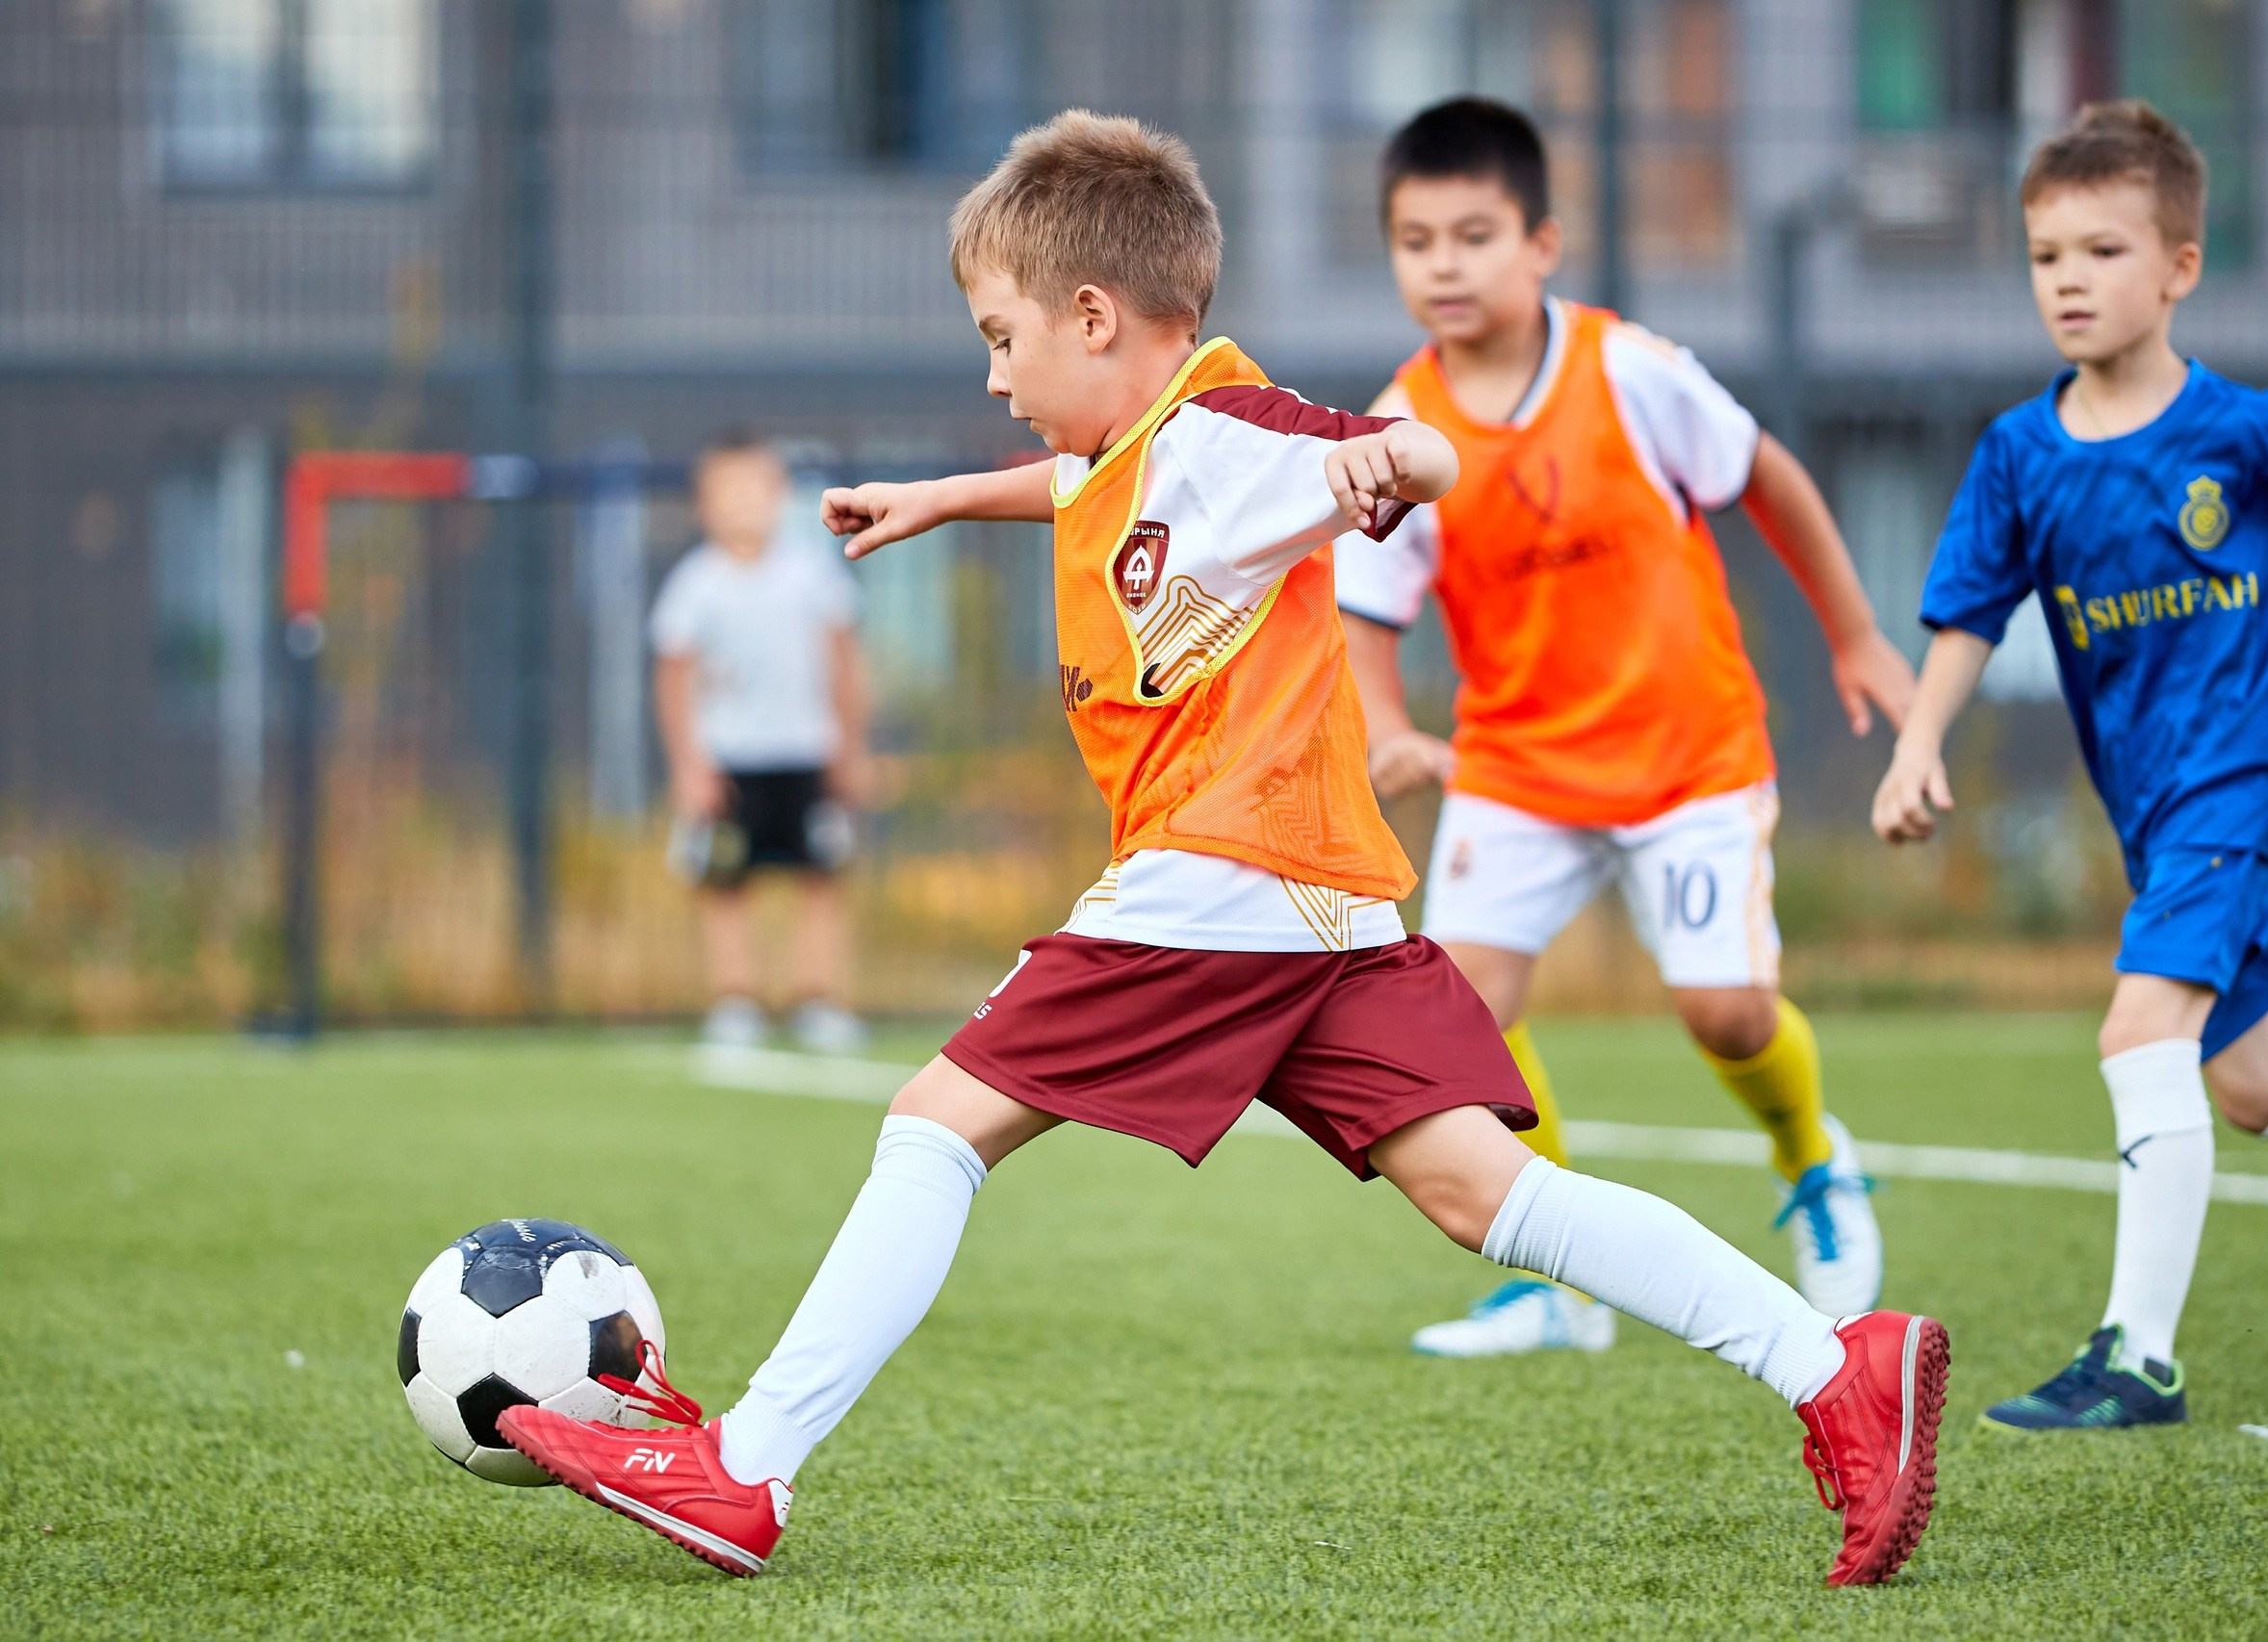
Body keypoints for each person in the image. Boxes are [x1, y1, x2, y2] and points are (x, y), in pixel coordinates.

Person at [501, 111, 1948, 1588]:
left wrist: (1401, 464)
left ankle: (747, 1469)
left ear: (1092, 316)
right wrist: (942, 499)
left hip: (1225, 872)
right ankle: (1838, 1365)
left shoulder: (1227, 430)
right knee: (1485, 1194)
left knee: (937, 1121)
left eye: (1002, 341)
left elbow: (1402, 449)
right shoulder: (1139, 443)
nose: (995, 379)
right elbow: (1088, 488)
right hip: (1314, 898)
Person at [1873, 100, 2268, 1433]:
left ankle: (2138, 1357)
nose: (2069, 280)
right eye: (2045, 257)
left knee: (2142, 1034)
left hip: (2241, 784)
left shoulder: (2240, 431)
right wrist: (1917, 746)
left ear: (2179, 268)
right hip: (2153, 811)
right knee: (2263, 1090)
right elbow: (1969, 615)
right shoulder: (2020, 453)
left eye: (2101, 250)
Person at [1334, 99, 1912, 1355]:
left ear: (1543, 242)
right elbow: (1364, 608)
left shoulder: (1629, 369)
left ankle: (1814, 1157)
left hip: (1684, 754)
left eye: (1474, 233)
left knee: (1727, 1014)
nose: (1444, 261)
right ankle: (1561, 1282)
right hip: (1517, 765)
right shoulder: (1395, 430)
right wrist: (1384, 725)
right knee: (1463, 1023)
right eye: (1416, 238)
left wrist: (1857, 632)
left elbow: (1770, 477)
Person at [650, 431, 872, 1054]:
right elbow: (674, 678)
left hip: (808, 754)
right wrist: (689, 766)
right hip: (729, 761)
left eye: (756, 488)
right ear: (703, 503)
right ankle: (735, 999)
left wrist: (850, 750)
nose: (743, 503)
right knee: (724, 883)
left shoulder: (811, 574)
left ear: (779, 495)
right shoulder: (695, 584)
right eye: (728, 491)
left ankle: (817, 998)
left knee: (821, 879)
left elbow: (844, 662)